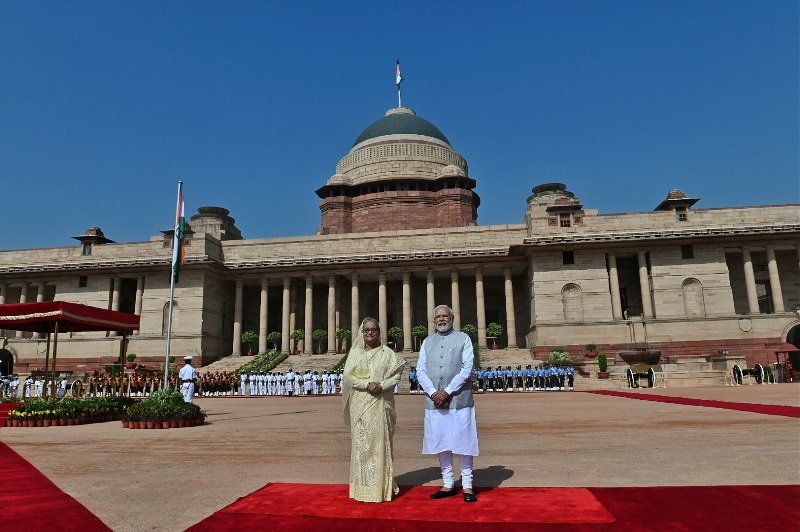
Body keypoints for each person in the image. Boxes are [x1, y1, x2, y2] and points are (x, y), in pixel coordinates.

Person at [416, 305, 479, 503]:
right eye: (438, 317)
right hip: (435, 401)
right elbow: (420, 371)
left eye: (445, 316)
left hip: (459, 399)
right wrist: (435, 393)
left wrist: (447, 391)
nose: (442, 319)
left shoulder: (464, 339)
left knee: (464, 442)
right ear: (434, 320)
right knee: (442, 441)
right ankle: (448, 483)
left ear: (452, 318)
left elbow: (467, 368)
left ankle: (467, 485)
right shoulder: (427, 342)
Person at [343, 317, 406, 503]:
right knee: (362, 446)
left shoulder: (388, 353)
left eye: (374, 330)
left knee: (380, 446)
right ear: (361, 333)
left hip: (380, 403)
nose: (370, 333)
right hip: (360, 404)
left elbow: (396, 375)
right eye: (367, 330)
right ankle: (361, 488)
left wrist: (382, 385)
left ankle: (381, 488)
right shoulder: (355, 354)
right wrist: (366, 384)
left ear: (380, 333)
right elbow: (349, 377)